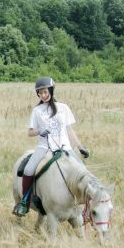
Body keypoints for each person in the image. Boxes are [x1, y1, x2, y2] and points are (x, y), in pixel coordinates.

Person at [13, 77, 90, 216]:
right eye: (40, 93)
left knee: (84, 172)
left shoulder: (63, 108)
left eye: (44, 92)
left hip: (65, 148)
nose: (42, 95)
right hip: (44, 148)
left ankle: (87, 205)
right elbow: (30, 132)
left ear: (51, 90)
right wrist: (39, 131)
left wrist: (80, 146)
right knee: (29, 170)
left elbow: (69, 129)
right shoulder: (37, 110)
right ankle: (24, 201)